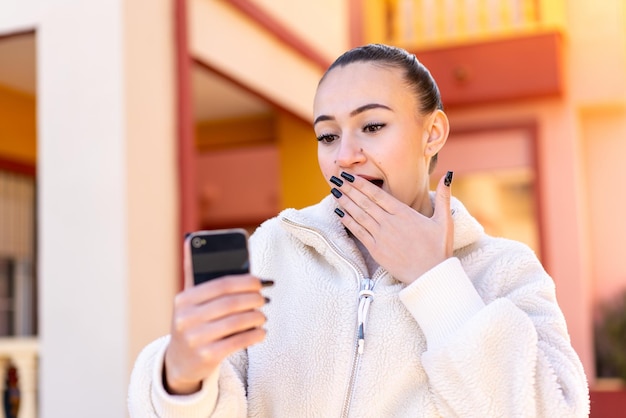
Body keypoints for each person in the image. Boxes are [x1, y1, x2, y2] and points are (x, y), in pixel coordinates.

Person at [128, 43, 589, 417]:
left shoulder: (503, 270)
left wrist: (436, 281)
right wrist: (182, 376)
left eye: (371, 125)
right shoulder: (274, 248)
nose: (345, 155)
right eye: (328, 136)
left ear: (432, 133)